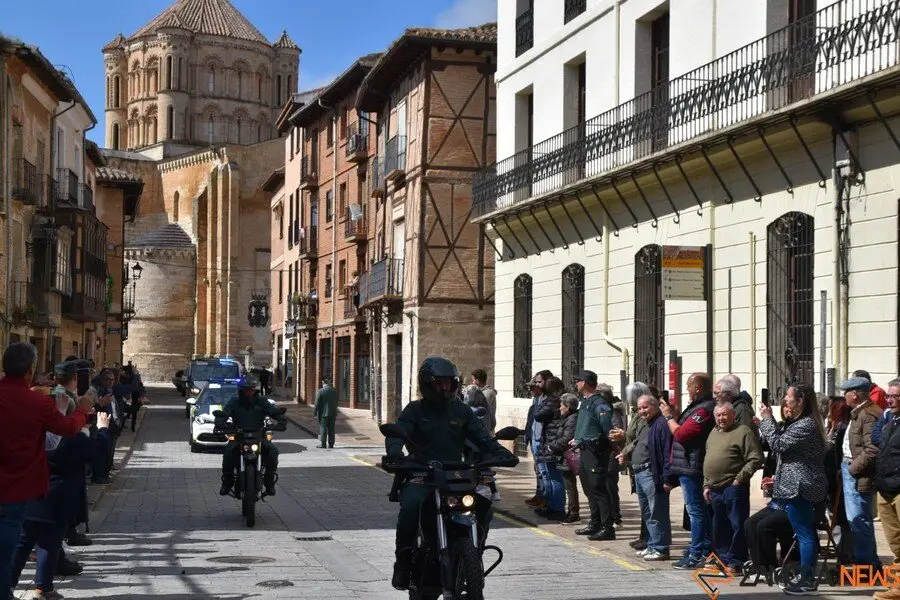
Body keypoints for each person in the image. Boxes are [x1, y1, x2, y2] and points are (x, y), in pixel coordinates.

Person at [384, 356, 518, 591]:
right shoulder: (415, 410)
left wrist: (500, 452)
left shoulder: (461, 410)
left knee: (484, 503)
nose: (444, 388)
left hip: (455, 475)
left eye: (449, 383)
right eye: (439, 383)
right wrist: (395, 455)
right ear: (426, 384)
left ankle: (472, 554)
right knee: (411, 507)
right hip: (422, 473)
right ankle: (403, 562)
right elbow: (398, 433)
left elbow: (482, 437)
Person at [0, 343, 94, 600]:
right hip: (17, 489)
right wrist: (84, 408)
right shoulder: (37, 403)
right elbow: (66, 429)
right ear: (30, 371)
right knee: (8, 547)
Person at [8, 398, 110, 600]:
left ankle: (6, 585)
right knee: (49, 544)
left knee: (23, 543)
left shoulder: (35, 433)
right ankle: (43, 589)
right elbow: (98, 452)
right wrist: (103, 428)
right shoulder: (74, 439)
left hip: (31, 494)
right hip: (58, 499)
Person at [758, 384, 828, 595]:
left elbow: (778, 445)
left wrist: (767, 420)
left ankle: (807, 580)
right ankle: (805, 575)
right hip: (793, 485)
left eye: (788, 397)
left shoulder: (806, 425)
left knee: (804, 534)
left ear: (801, 401)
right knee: (804, 532)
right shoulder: (798, 423)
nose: (785, 400)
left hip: (800, 486)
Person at [218, 375, 285, 497]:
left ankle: (269, 481)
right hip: (239, 437)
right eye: (246, 389)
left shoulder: (262, 401)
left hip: (259, 436)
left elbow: (272, 411)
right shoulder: (234, 401)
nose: (249, 391)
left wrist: (281, 420)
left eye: (251, 389)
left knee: (273, 451)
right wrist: (220, 422)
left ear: (255, 390)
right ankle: (227, 482)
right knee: (228, 453)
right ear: (241, 390)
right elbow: (225, 413)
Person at [572, 371, 616, 541]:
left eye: (578, 380)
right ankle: (595, 522)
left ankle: (607, 527)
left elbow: (606, 428)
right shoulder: (585, 402)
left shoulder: (599, 404)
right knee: (589, 488)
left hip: (595, 449)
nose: (576, 383)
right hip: (585, 448)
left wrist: (612, 445)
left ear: (586, 382)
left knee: (598, 488)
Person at [313, 377, 338, 449]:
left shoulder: (320, 391)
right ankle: (331, 444)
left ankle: (323, 444)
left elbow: (317, 403)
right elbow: (336, 402)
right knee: (331, 429)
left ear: (323, 383)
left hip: (323, 413)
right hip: (333, 413)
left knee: (323, 428)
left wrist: (315, 412)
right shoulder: (334, 391)